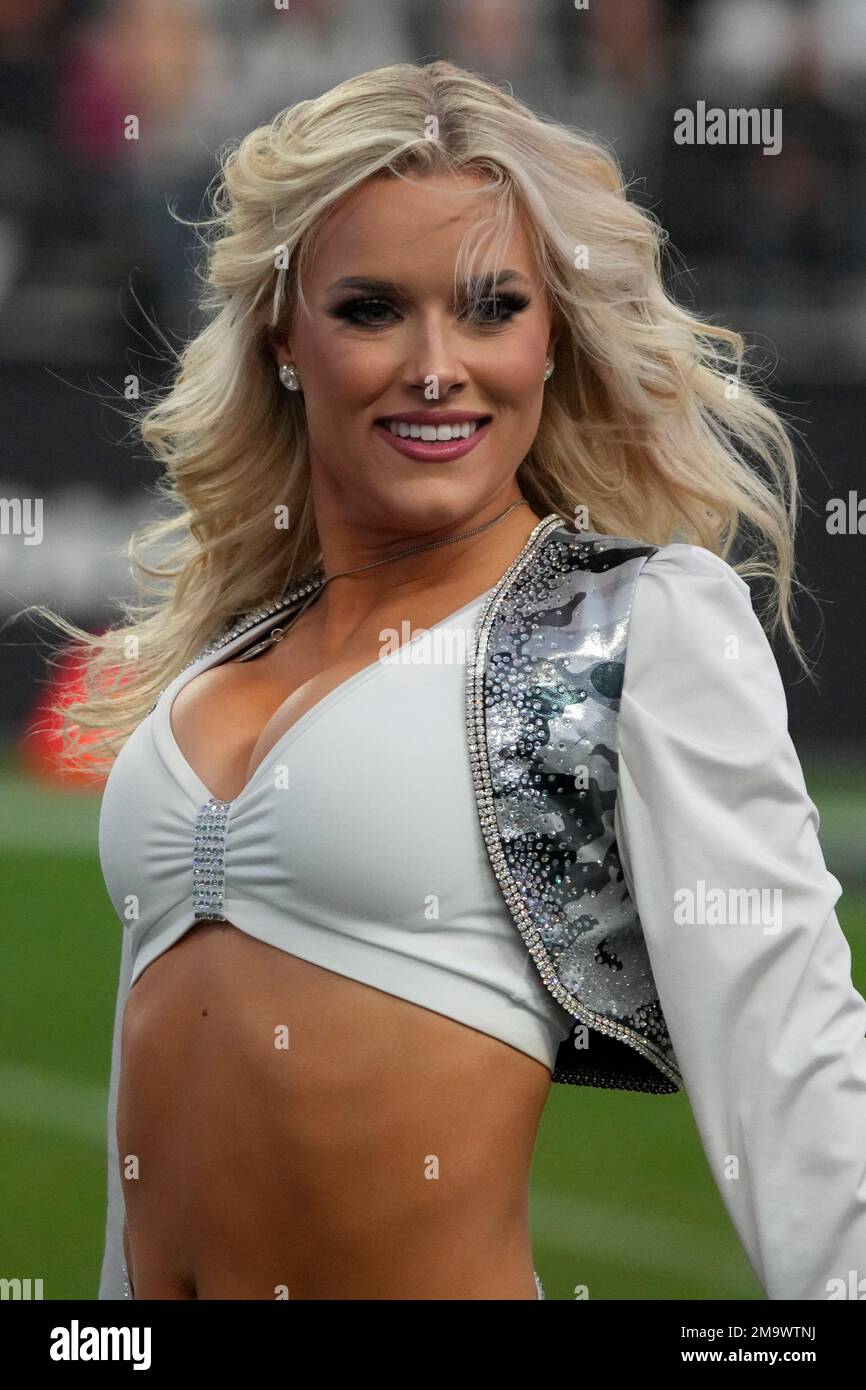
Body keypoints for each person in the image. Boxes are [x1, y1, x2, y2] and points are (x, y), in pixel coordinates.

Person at [37, 60, 866, 1300]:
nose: (436, 366)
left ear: (551, 336)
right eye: (371, 309)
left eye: (489, 309)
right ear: (282, 335)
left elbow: (790, 1057)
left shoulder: (630, 623)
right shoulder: (224, 651)